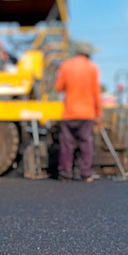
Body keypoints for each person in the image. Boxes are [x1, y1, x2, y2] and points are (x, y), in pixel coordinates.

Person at [55, 40, 102, 182]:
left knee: (67, 144)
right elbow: (96, 92)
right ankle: (86, 173)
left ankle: (65, 174)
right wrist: (98, 113)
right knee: (86, 143)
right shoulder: (92, 68)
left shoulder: (66, 66)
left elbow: (59, 87)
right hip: (87, 113)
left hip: (69, 113)